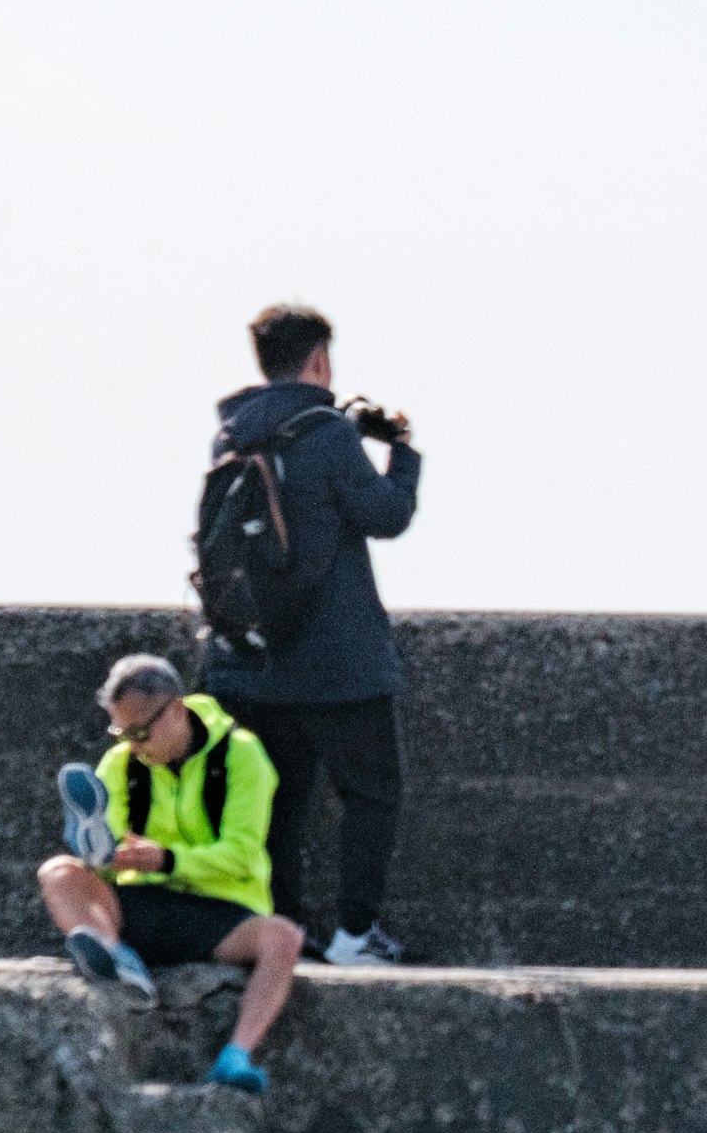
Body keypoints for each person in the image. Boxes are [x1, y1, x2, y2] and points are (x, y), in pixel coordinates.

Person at [198, 303, 422, 967]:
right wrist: (401, 450)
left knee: (276, 803)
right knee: (371, 793)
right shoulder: (329, 434)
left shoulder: (231, 432)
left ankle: (284, 927)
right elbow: (385, 515)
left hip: (249, 660)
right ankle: (356, 934)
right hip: (338, 663)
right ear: (320, 359)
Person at [41, 655, 307, 1091]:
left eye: (141, 731)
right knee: (58, 872)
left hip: (222, 909)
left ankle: (236, 1055)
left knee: (283, 938)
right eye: (122, 733)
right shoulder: (120, 763)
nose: (134, 744)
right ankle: (114, 958)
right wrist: (106, 858)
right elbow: (110, 859)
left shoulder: (242, 755)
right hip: (142, 901)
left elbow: (242, 853)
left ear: (177, 709)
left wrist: (168, 859)